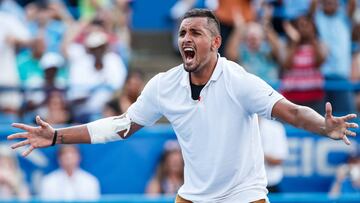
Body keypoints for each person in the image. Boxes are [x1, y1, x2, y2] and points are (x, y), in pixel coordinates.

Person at [7, 9, 359, 203]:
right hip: (192, 199)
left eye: (195, 33)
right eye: (182, 34)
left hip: (244, 198)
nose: (186, 39)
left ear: (216, 42)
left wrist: (323, 126)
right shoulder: (164, 85)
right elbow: (122, 126)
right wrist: (57, 137)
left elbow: (293, 112)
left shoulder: (239, 81)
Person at [259, 118, 288, 193]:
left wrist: (257, 154)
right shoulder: (238, 127)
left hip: (270, 183)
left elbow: (278, 159)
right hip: (243, 186)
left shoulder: (275, 128)